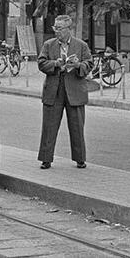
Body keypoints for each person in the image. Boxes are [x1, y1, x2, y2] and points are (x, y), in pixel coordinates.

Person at [36, 14, 94, 170]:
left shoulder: (81, 45)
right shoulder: (48, 45)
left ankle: (80, 159)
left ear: (69, 29)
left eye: (60, 28)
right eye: (55, 28)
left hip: (74, 90)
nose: (56, 31)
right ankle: (46, 159)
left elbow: (89, 64)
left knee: (77, 127)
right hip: (54, 89)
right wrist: (55, 63)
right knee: (49, 126)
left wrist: (77, 65)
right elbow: (41, 63)